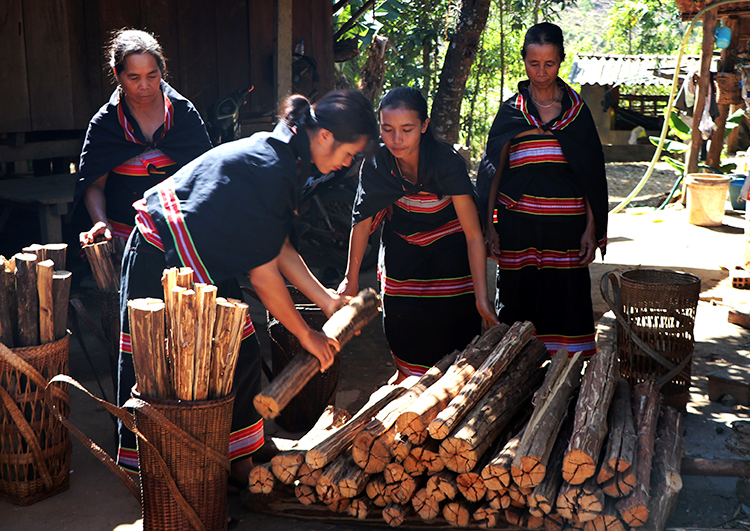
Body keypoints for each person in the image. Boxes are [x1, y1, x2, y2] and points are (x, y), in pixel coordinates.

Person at [118, 89, 378, 487]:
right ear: (325, 136)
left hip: (197, 257)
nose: (347, 163)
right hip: (161, 256)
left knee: (238, 351)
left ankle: (239, 452)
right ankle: (156, 468)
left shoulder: (288, 157)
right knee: (169, 367)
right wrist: (306, 334)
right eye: (350, 153)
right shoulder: (273, 165)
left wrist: (327, 301)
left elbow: (280, 248)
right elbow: (264, 275)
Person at [338, 87, 499, 381]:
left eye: (407, 129)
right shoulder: (377, 163)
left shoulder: (446, 163)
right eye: (387, 129)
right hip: (403, 259)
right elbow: (361, 222)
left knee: (455, 342)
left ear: (424, 126)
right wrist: (350, 279)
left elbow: (473, 235)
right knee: (405, 332)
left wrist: (481, 298)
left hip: (450, 259)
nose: (396, 140)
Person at [476, 22, 608, 358]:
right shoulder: (511, 113)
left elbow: (591, 177)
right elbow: (492, 172)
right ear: (524, 61)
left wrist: (591, 230)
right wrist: (489, 226)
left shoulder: (576, 113)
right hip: (518, 229)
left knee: (565, 302)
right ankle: (515, 373)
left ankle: (565, 379)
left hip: (566, 231)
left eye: (549, 63)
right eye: (534, 63)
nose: (541, 72)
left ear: (561, 60)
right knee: (520, 301)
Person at [75, 29, 212, 246]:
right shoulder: (105, 124)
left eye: (152, 75)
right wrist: (99, 221)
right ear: (117, 74)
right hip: (123, 238)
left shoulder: (183, 114)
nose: (144, 86)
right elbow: (94, 184)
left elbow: (206, 175)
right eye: (134, 77)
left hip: (181, 235)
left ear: (162, 71)